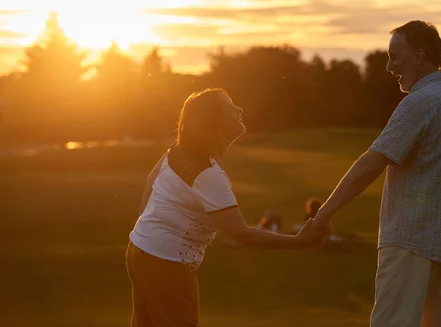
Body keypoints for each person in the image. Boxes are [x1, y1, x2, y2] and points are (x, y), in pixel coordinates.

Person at [312, 20, 441, 326]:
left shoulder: (419, 102)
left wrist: (323, 214)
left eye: (394, 56)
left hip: (410, 240)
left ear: (419, 56)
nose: (389, 66)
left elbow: (371, 163)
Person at [125, 88, 325, 327]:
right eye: (231, 107)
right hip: (167, 264)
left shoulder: (178, 150)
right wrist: (298, 241)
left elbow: (150, 181)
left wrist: (147, 230)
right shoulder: (208, 174)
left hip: (140, 251)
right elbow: (241, 233)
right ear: (215, 120)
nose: (239, 110)